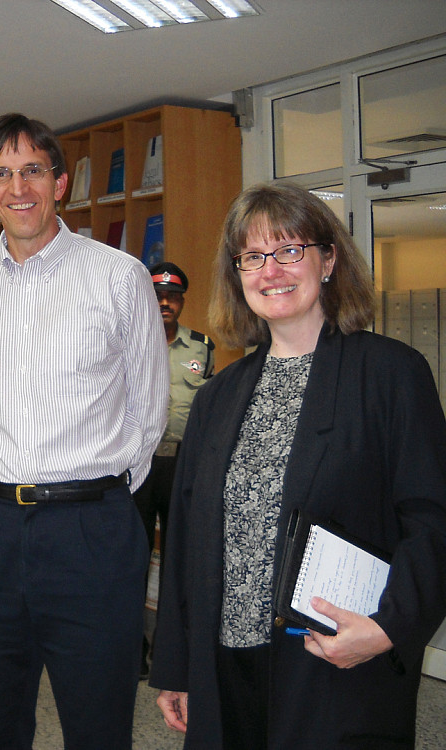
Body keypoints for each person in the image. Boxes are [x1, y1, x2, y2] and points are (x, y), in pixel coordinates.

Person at [151, 183, 446, 748]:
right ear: (238, 275)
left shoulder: (390, 374)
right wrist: (176, 665)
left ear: (328, 260)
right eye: (253, 257)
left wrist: (388, 629)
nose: (271, 271)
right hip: (223, 664)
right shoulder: (217, 397)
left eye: (289, 251)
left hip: (332, 665)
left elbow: (433, 521)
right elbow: (186, 539)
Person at [0, 113, 169, 749]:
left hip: (89, 532)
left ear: (60, 183)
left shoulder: (119, 276)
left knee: (97, 722)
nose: (19, 188)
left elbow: (149, 412)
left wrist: (95, 498)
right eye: (1, 174)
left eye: (33, 171)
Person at [132, 261, 214, 677]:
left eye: (173, 296)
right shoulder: (126, 342)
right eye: (158, 295)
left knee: (180, 561)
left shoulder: (201, 346)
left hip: (182, 466)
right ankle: (134, 648)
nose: (165, 302)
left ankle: (171, 650)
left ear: (182, 302)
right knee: (134, 556)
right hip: (138, 466)